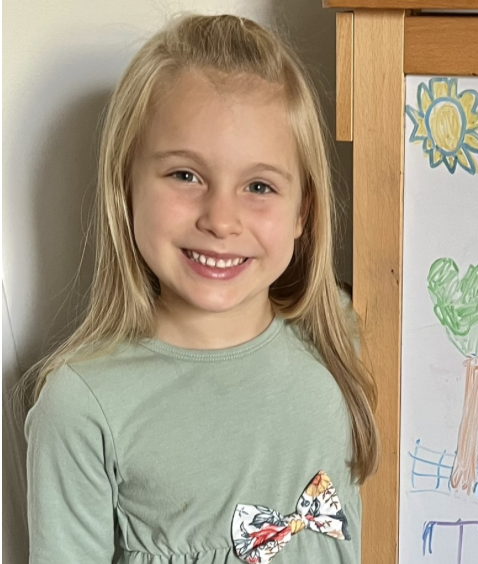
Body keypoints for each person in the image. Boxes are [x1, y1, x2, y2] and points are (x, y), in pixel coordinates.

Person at [17, 13, 379, 564]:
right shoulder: (78, 408)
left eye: (258, 186)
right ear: (126, 189)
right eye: (186, 176)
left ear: (303, 211)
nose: (221, 219)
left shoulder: (343, 337)